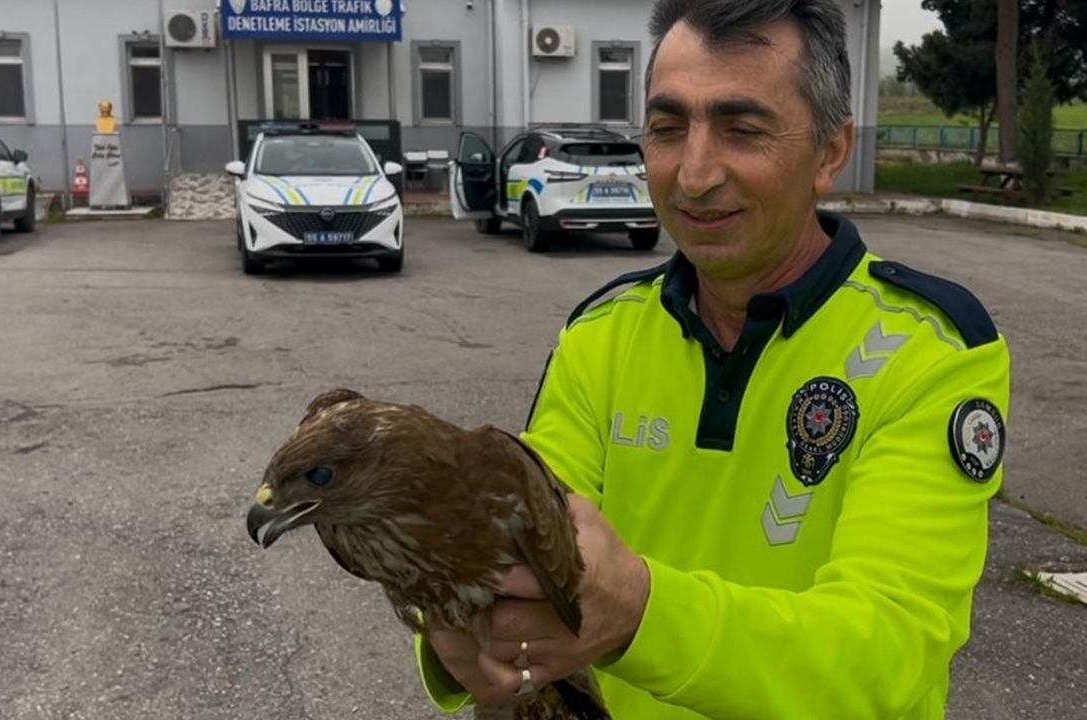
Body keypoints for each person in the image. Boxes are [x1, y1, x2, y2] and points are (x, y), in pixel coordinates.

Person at [416, 0, 1012, 717]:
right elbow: (525, 534)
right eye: (668, 129)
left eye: (743, 129)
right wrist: (460, 621)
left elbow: (885, 651)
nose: (693, 175)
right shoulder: (602, 334)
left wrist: (640, 614)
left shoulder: (931, 350)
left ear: (830, 151)